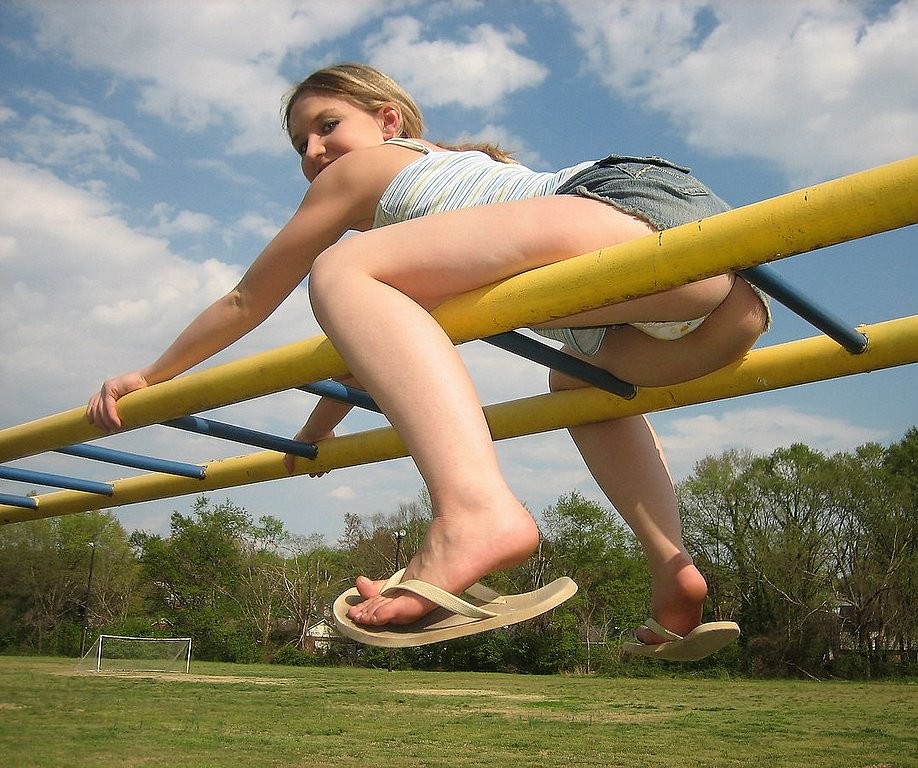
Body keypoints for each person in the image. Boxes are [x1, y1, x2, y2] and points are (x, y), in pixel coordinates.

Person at [87, 63, 769, 658]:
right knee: (577, 384)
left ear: (389, 121)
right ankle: (670, 566)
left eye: (327, 125)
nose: (315, 152)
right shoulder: (457, 209)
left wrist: (153, 375)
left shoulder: (373, 175)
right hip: (716, 313)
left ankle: (474, 512)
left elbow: (246, 297)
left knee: (341, 268)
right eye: (301, 144)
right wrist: (314, 434)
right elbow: (376, 356)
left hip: (633, 212)